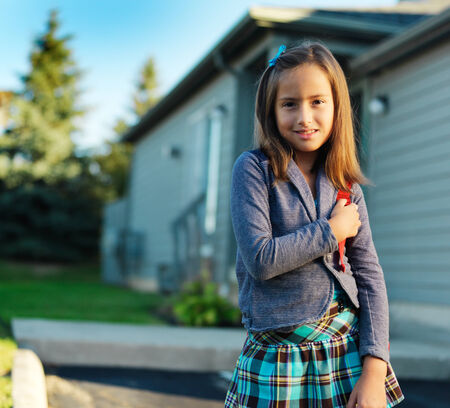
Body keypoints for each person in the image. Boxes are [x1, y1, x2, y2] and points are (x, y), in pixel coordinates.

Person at [224, 41, 405, 408]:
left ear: (336, 106)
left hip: (345, 350)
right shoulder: (254, 170)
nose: (304, 117)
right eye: (289, 104)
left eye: (317, 101)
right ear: (270, 111)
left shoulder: (344, 183)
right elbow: (261, 259)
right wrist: (331, 231)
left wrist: (374, 368)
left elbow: (369, 275)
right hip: (277, 357)